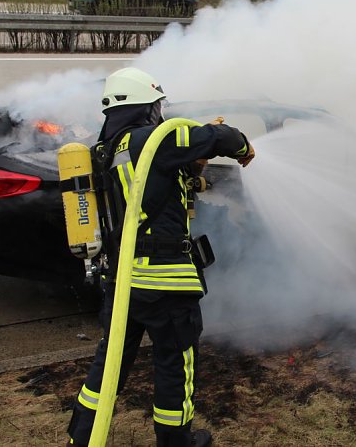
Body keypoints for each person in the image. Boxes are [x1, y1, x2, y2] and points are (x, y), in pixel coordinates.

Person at [67, 67, 255, 447]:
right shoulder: (153, 139)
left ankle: (83, 436)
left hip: (124, 282)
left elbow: (155, 191)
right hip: (165, 283)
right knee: (174, 363)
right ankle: (176, 442)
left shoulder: (107, 149)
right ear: (147, 107)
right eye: (158, 105)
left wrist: (193, 171)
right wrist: (243, 146)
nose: (161, 112)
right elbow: (221, 137)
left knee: (110, 365)